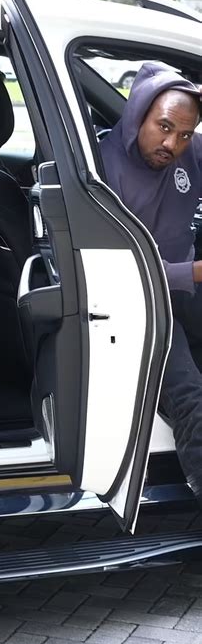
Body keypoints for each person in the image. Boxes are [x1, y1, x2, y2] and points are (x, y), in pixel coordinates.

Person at [100, 62, 202, 502]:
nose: (172, 145)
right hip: (136, 302)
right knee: (191, 398)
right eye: (164, 127)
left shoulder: (191, 150)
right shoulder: (102, 167)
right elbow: (118, 267)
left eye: (185, 134)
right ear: (139, 114)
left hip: (184, 291)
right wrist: (194, 272)